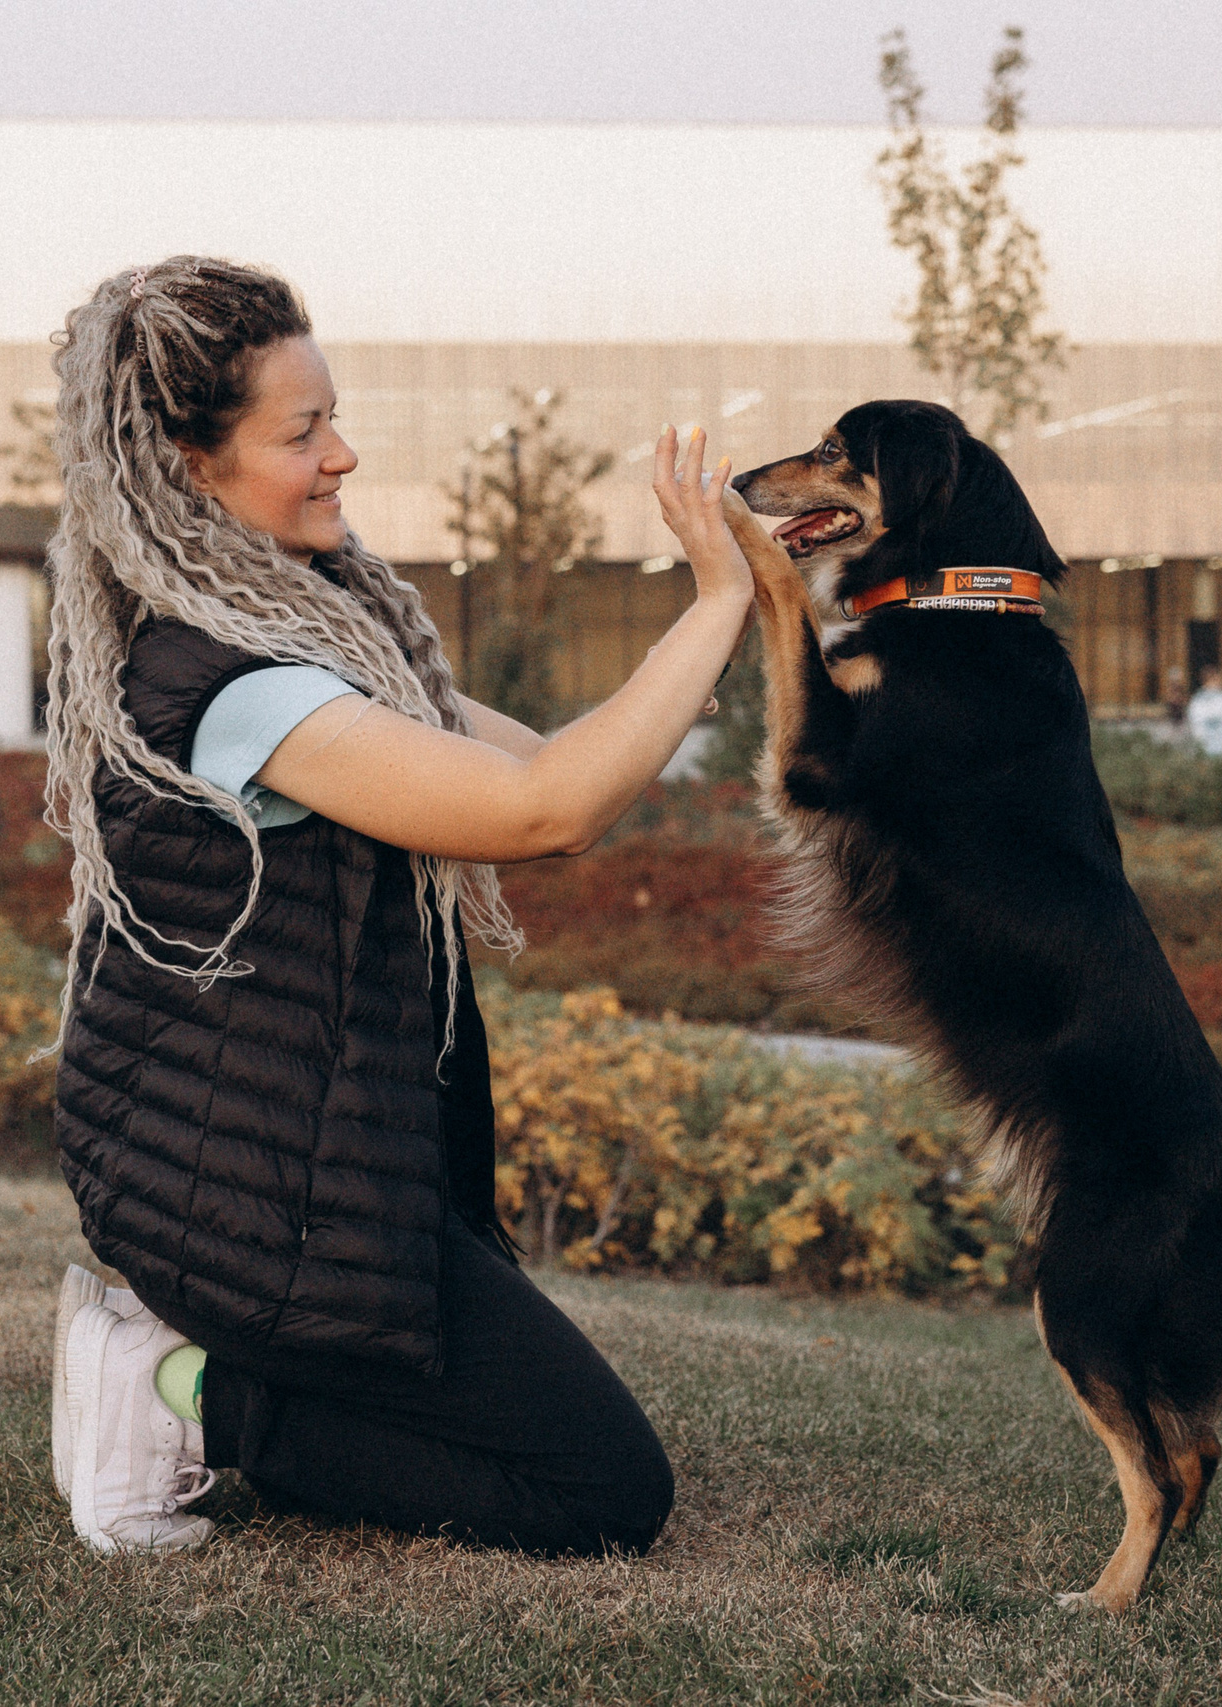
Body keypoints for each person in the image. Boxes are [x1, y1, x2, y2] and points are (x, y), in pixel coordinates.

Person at [40, 257, 742, 1561]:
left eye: (335, 419)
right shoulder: (242, 686)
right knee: (601, 1489)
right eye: (302, 432)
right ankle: (183, 1393)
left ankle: (177, 1350)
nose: (342, 456)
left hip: (296, 1173)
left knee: (523, 1434)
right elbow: (548, 808)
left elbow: (537, 765)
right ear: (192, 465)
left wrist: (728, 620)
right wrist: (719, 603)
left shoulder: (302, 637)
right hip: (244, 1205)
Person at [1184, 666, 1222, 756]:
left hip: (1221, 736)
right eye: (1216, 680)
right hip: (1204, 735)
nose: (1219, 683)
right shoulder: (1198, 698)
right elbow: (1195, 716)